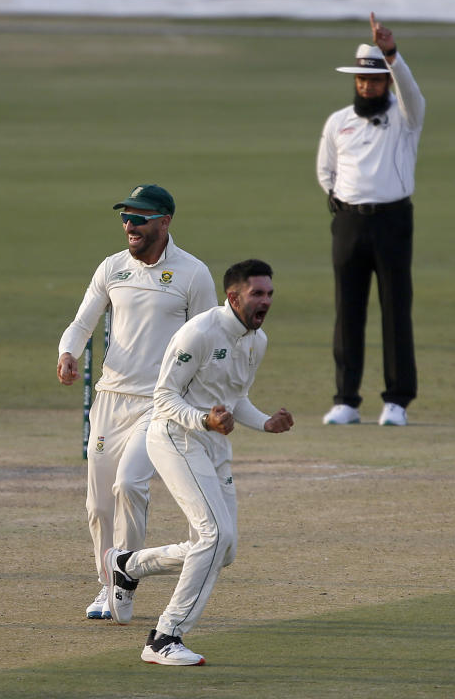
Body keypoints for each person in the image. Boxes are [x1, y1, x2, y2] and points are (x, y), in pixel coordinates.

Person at [102, 259, 293, 666]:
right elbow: (164, 397)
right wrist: (202, 419)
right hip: (175, 438)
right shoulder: (199, 333)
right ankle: (164, 637)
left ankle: (127, 564)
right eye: (258, 294)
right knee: (214, 534)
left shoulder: (257, 341)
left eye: (270, 293)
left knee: (223, 550)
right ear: (233, 296)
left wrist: (265, 423)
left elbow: (235, 397)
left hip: (213, 446)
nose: (266, 301)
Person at [56, 184, 216, 620]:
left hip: (159, 403)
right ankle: (106, 585)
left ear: (164, 222)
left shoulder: (192, 274)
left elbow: (208, 339)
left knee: (129, 484)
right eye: (126, 217)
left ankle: (124, 585)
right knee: (97, 504)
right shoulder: (112, 268)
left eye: (140, 218)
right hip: (110, 399)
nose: (130, 225)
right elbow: (81, 321)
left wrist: (196, 407)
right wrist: (67, 353)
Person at [316, 12, 425, 427]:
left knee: (396, 308)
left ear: (386, 82)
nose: (368, 86)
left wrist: (392, 53)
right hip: (348, 222)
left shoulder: (406, 116)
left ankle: (396, 400)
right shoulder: (338, 121)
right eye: (362, 80)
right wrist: (342, 204)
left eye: (376, 80)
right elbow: (325, 171)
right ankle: (346, 399)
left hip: (393, 220)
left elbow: (411, 92)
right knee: (348, 309)